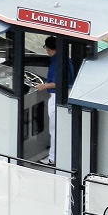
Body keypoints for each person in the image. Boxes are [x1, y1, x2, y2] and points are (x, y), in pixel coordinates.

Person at [38, 36, 75, 165]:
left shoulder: (55, 63)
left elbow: (57, 82)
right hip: (69, 95)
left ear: (48, 49)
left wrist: (44, 86)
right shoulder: (67, 59)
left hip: (57, 97)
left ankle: (52, 158)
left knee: (54, 128)